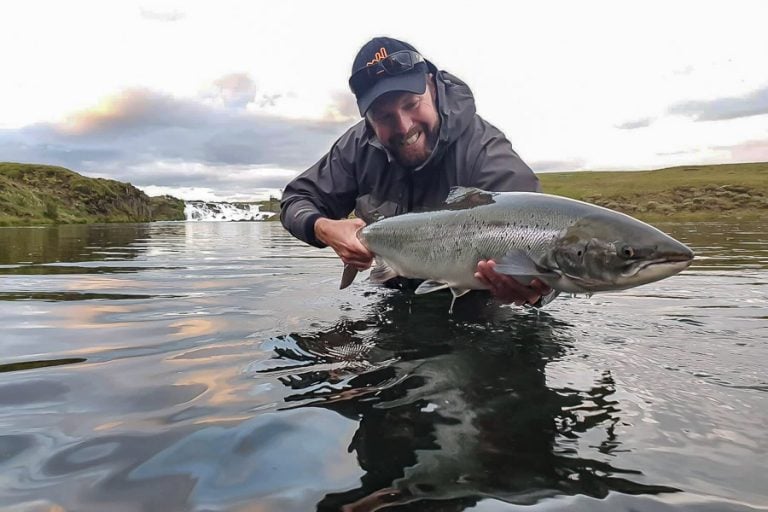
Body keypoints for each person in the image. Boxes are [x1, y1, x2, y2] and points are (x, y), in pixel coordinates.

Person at [280, 36, 552, 306]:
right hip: (391, 300)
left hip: (478, 310)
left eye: (411, 104)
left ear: (432, 86)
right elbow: (296, 200)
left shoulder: (483, 150)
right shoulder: (357, 146)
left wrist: (538, 290)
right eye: (384, 116)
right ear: (368, 119)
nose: (403, 126)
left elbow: (550, 237)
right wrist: (322, 227)